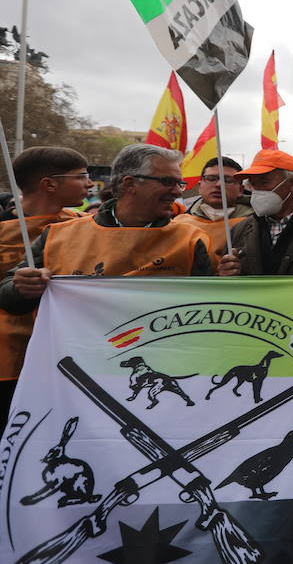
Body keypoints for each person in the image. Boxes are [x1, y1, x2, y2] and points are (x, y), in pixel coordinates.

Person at [1, 144, 223, 330]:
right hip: (73, 367)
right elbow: (8, 294)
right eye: (167, 182)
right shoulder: (58, 235)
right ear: (130, 184)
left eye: (179, 183)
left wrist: (227, 279)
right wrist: (22, 287)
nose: (177, 192)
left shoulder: (192, 240)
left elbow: (209, 310)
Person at [0, 147, 93, 419]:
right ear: (49, 184)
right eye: (81, 176)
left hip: (68, 357)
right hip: (9, 360)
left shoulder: (87, 226)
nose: (89, 183)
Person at [222, 150, 293, 276]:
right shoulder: (240, 230)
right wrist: (226, 274)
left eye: (264, 182)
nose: (257, 191)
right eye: (253, 184)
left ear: (292, 183)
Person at [175, 156, 253, 255]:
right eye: (211, 179)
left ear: (240, 190)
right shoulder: (179, 224)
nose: (219, 184)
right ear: (200, 187)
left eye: (228, 180)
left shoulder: (256, 225)